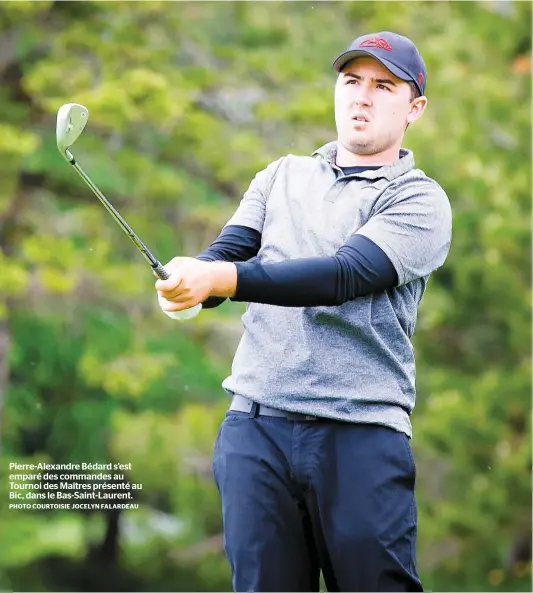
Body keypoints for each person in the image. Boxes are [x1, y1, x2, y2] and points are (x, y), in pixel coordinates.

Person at [156, 30, 452, 592]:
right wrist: (187, 282)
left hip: (360, 433)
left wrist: (220, 278)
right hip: (256, 428)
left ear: (414, 108)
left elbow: (344, 275)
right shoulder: (279, 176)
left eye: (383, 86)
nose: (362, 97)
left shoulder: (418, 199)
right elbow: (227, 257)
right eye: (351, 82)